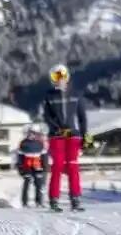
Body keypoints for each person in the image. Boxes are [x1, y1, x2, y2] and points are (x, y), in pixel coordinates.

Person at [40, 64, 91, 212]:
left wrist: (85, 136)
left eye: (62, 76)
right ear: (52, 79)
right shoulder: (50, 96)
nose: (60, 80)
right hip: (57, 136)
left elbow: (82, 117)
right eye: (56, 77)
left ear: (67, 76)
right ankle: (54, 200)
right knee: (57, 166)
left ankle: (75, 199)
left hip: (73, 136)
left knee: (73, 167)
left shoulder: (76, 94)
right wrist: (57, 128)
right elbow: (47, 117)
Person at [15, 123, 49, 208]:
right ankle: (24, 202)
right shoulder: (23, 143)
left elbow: (44, 156)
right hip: (27, 167)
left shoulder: (40, 143)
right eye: (30, 133)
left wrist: (45, 167)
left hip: (38, 166)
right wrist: (20, 168)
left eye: (33, 133)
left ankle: (39, 202)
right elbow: (20, 157)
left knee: (39, 185)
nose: (31, 135)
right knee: (26, 184)